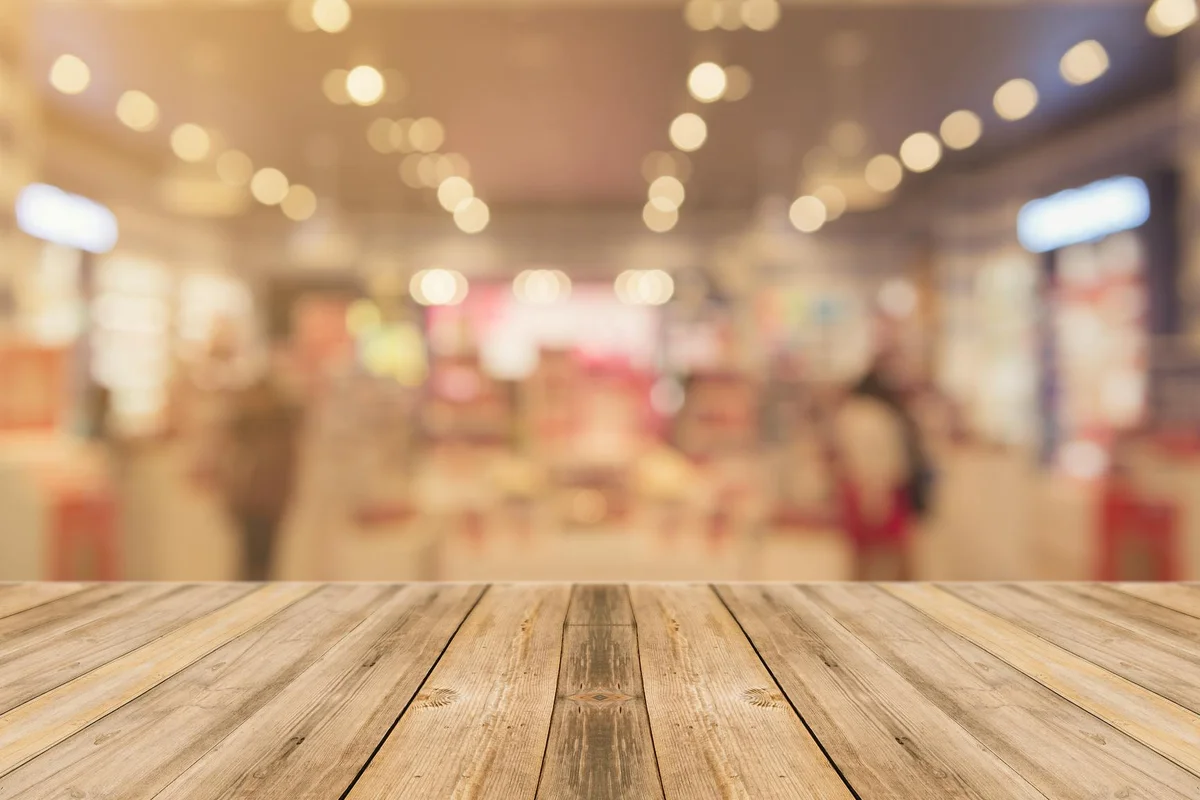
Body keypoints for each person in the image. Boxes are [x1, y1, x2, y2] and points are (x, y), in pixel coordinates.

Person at [831, 357, 932, 580]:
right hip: (880, 488)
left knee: (868, 554)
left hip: (867, 487)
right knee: (892, 552)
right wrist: (876, 492)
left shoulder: (852, 413)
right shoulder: (877, 415)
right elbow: (878, 458)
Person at [213, 364, 304, 581]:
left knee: (261, 561)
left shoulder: (278, 431)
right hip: (251, 504)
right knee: (250, 559)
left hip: (265, 504)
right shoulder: (248, 429)